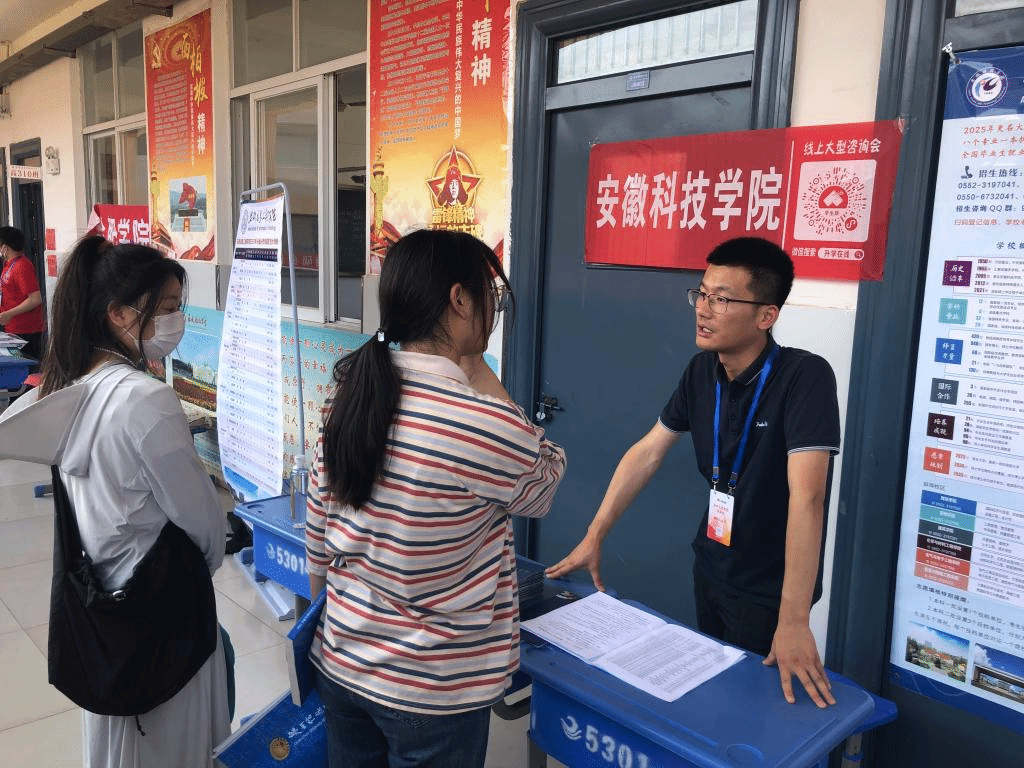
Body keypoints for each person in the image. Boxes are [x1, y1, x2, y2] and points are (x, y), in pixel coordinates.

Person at [306, 228, 566, 768]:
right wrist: (481, 370)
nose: (494, 311)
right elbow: (544, 482)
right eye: (491, 296)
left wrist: (333, 633)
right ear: (459, 300)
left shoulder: (349, 398)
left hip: (343, 659)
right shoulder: (483, 424)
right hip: (433, 688)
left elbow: (318, 537)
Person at [547, 236, 840, 709]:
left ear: (766, 315)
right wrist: (595, 533)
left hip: (772, 590)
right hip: (712, 566)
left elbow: (808, 498)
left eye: (721, 299)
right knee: (717, 699)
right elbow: (648, 451)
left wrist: (793, 620)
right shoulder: (701, 372)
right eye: (701, 294)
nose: (703, 309)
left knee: (763, 710)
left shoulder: (805, 377)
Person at [12, 236, 230, 767]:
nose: (176, 321)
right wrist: (209, 558)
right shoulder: (146, 399)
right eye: (168, 308)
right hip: (162, 616)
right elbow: (202, 522)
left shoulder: (70, 389)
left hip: (104, 611)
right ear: (118, 313)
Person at [0, 226, 45, 361]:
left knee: (26, 365)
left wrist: (9, 313)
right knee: (15, 365)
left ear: (5, 247)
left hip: (26, 333)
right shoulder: (8, 265)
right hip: (12, 330)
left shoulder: (22, 266)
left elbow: (35, 299)